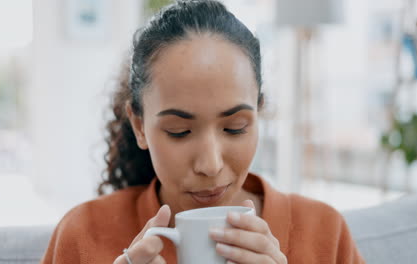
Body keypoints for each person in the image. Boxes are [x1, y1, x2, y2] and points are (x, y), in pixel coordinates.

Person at [41, 1, 365, 263]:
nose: (210, 165)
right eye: (179, 131)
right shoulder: (83, 234)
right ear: (139, 126)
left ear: (259, 112)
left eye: (235, 127)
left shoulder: (325, 233)